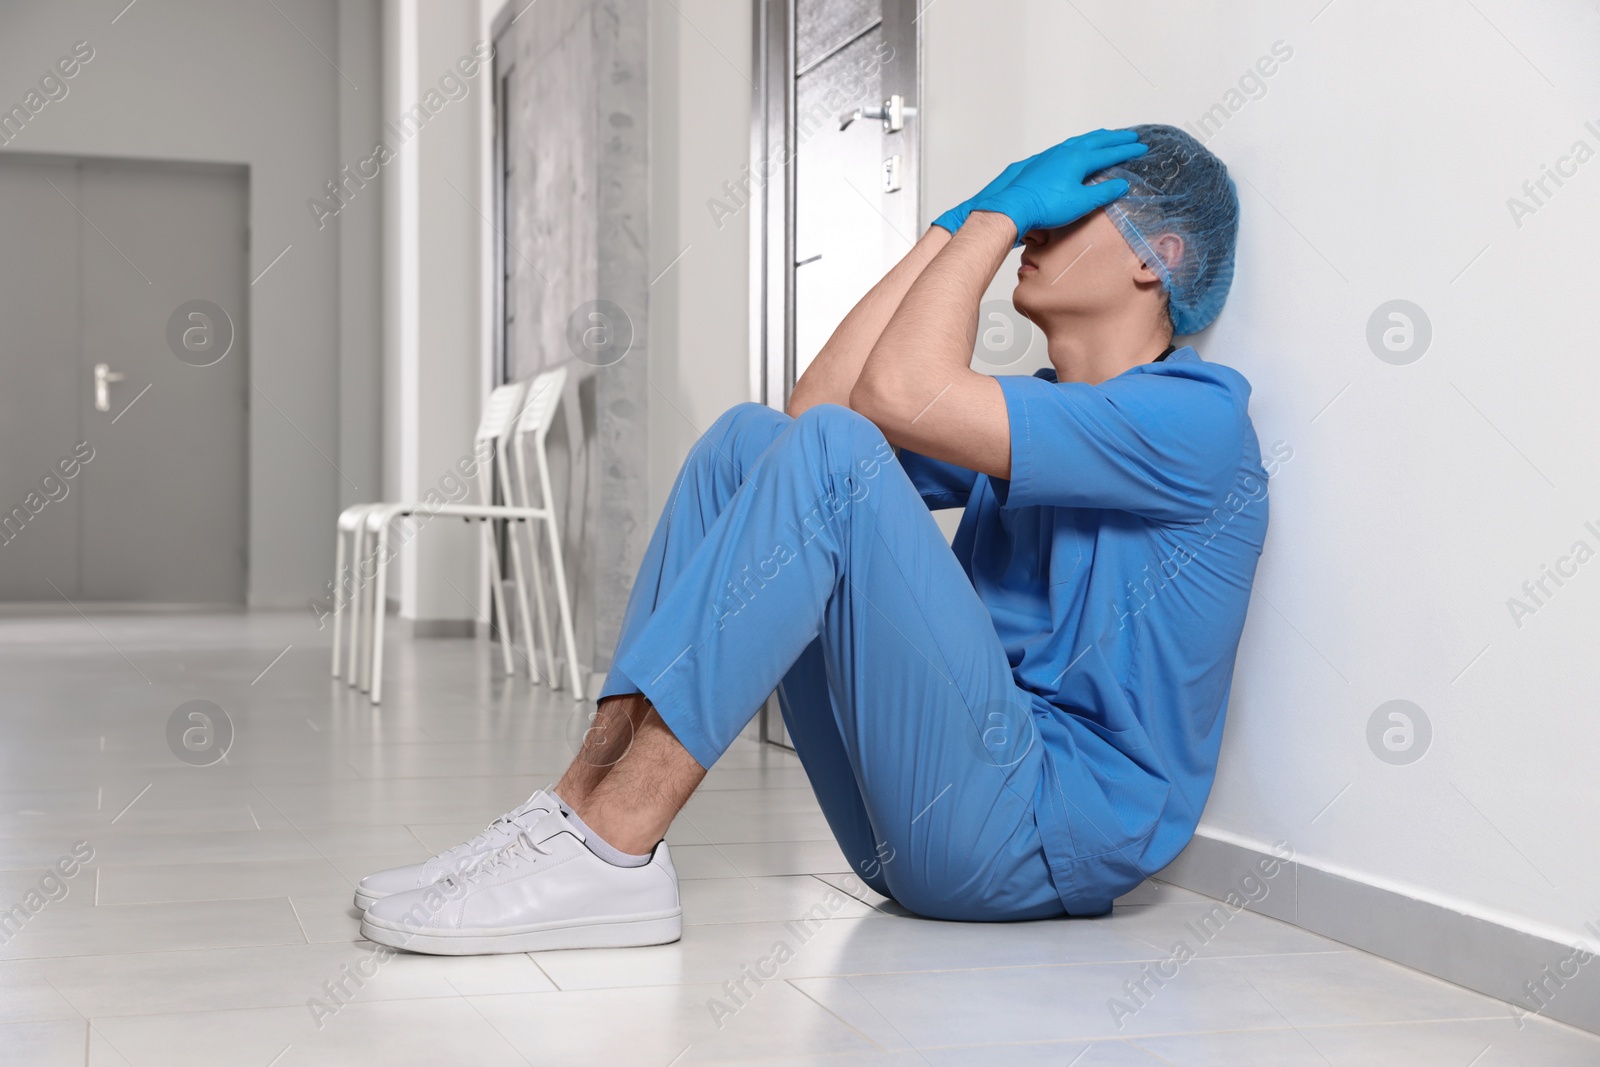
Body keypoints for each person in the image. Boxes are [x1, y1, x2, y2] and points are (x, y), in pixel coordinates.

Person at [355, 124, 1267, 954]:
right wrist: (950, 229)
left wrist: (996, 216)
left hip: (1037, 834)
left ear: (1161, 259)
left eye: (1073, 207)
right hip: (914, 814)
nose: (1040, 222)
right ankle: (577, 814)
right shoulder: (1042, 409)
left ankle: (615, 842)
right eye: (1038, 203)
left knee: (834, 451)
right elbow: (812, 413)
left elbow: (887, 404)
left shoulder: (1198, 424)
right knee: (744, 445)